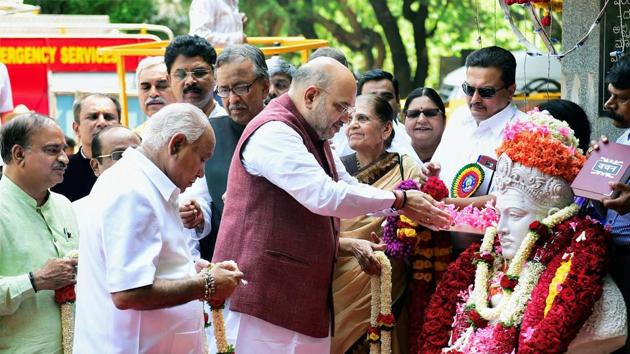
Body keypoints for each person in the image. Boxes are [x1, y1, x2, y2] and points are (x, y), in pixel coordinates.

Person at [211, 57, 450, 353]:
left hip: (299, 296)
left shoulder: (311, 133)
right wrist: (399, 200)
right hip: (262, 299)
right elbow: (325, 195)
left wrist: (399, 204)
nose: (346, 119)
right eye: (341, 107)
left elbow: (346, 184)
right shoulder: (274, 132)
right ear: (311, 96)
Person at [418, 111, 626, 353]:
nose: (501, 228)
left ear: (553, 219)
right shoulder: (486, 269)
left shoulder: (585, 287)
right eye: (500, 214)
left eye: (515, 215)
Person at [73, 103, 244, 353]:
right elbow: (128, 292)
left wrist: (190, 270)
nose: (201, 172)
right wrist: (206, 284)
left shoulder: (145, 183)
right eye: (201, 158)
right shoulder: (132, 190)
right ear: (176, 145)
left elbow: (146, 262)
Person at [333, 93, 423, 354]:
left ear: (386, 129)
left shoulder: (406, 168)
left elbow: (416, 223)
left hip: (386, 277)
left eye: (362, 118)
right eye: (349, 119)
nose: (352, 125)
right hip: (339, 276)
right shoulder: (336, 169)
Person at [0, 113, 78, 353]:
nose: (64, 159)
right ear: (19, 154)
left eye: (64, 149)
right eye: (53, 150)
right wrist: (35, 281)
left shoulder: (65, 205)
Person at [200, 44, 269, 260]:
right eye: (224, 90)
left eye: (241, 87)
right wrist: (197, 213)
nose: (233, 99)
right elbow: (200, 197)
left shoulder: (289, 131)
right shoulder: (209, 134)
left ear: (265, 87)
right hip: (226, 260)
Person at [431, 46, 527, 196]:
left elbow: (508, 200)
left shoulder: (525, 131)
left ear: (510, 91)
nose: (475, 99)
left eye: (486, 92)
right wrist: (430, 175)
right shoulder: (459, 117)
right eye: (469, 89)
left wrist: (446, 205)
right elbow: (437, 168)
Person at [601, 55, 630, 353]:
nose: (609, 104)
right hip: (616, 255)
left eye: (620, 98)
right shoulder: (624, 140)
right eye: (610, 95)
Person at [332, 69, 420, 164]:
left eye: (386, 97)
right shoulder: (336, 143)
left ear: (398, 101)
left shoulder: (412, 140)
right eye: (371, 98)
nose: (380, 104)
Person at [51, 94, 121, 201]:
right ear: (76, 129)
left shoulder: (133, 168)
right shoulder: (59, 172)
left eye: (108, 117)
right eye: (93, 117)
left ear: (119, 125)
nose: (102, 122)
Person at [165, 35, 227, 118]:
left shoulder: (231, 127)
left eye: (199, 73)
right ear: (169, 80)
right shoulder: (162, 127)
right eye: (181, 74)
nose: (190, 81)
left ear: (215, 76)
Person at [134, 56, 176, 135]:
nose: (153, 94)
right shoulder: (135, 138)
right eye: (146, 87)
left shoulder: (197, 132)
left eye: (162, 86)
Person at [403, 87, 446, 163]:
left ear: (444, 120)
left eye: (430, 113)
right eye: (413, 114)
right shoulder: (396, 158)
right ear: (404, 120)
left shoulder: (458, 156)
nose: (421, 120)